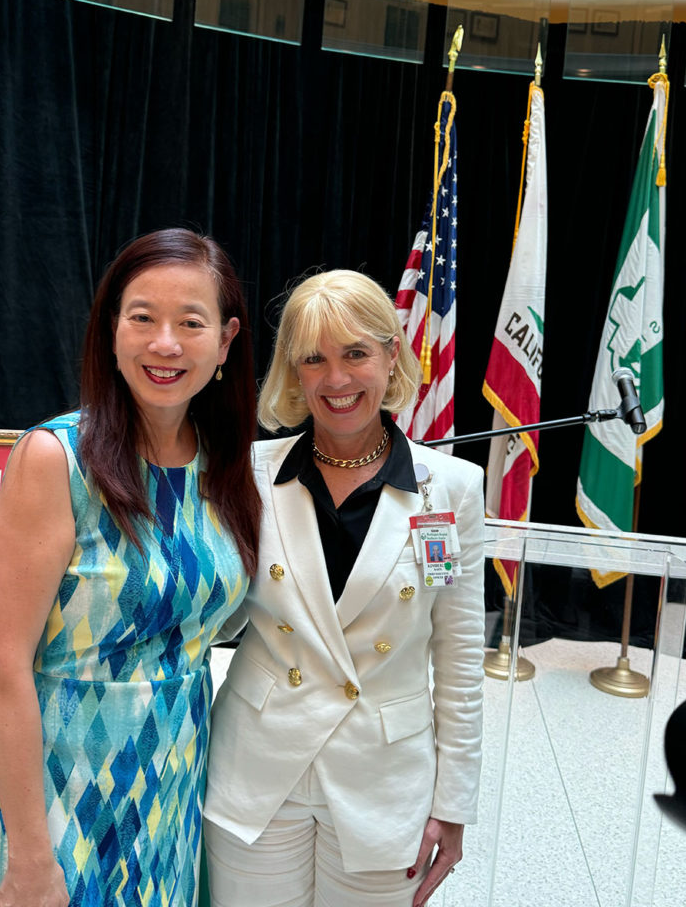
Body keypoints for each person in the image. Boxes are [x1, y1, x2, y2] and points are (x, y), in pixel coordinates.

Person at [0, 228, 261, 907]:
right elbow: (3, 665)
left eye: (190, 323)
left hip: (173, 783)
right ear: (110, 331)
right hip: (57, 791)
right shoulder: (56, 460)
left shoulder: (223, 464)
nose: (165, 343)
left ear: (225, 341)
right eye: (142, 318)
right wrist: (30, 858)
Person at [203, 269, 485, 907]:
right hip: (258, 768)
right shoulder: (246, 474)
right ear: (293, 372)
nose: (336, 379)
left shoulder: (452, 489)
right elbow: (214, 615)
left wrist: (454, 802)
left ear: (391, 355)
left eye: (355, 354)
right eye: (314, 359)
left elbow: (461, 657)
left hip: (382, 780)